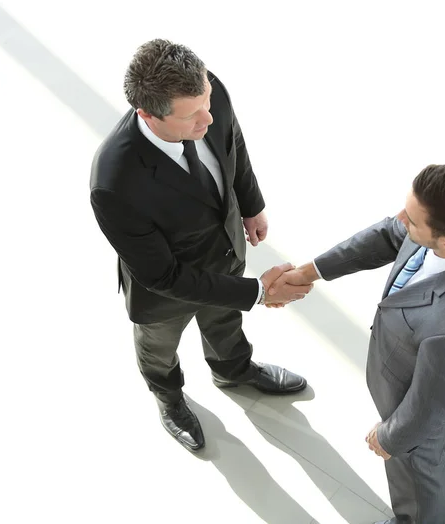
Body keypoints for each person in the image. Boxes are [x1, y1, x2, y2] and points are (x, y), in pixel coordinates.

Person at [90, 39, 311, 453]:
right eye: (192, 115)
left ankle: (233, 370)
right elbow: (162, 276)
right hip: (164, 291)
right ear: (148, 114)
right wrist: (259, 292)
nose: (207, 117)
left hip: (224, 255)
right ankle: (169, 398)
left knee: (225, 322)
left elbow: (233, 144)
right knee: (158, 349)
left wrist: (251, 205)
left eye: (207, 101)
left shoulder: (208, 91)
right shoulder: (114, 182)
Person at [269, 164, 445, 524]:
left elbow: (430, 407)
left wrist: (392, 438)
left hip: (417, 398)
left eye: (411, 220)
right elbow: (387, 236)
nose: (399, 220)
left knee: (416, 463)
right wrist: (309, 271)